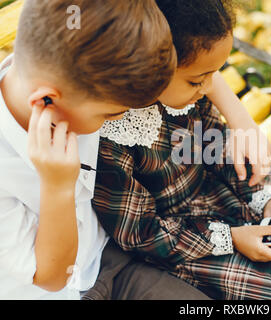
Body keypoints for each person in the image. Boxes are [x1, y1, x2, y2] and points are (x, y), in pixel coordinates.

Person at [91, 0, 271, 300]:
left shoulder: (191, 93)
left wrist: (264, 201)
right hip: (182, 238)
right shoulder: (114, 136)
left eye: (215, 74)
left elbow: (219, 150)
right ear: (151, 64)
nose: (210, 86)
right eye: (199, 79)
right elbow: (139, 233)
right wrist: (232, 238)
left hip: (218, 195)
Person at [0, 0, 210, 300]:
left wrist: (237, 114)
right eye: (111, 114)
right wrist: (58, 188)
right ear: (46, 101)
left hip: (109, 260)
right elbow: (51, 278)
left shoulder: (82, 81)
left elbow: (195, 45)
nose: (122, 118)